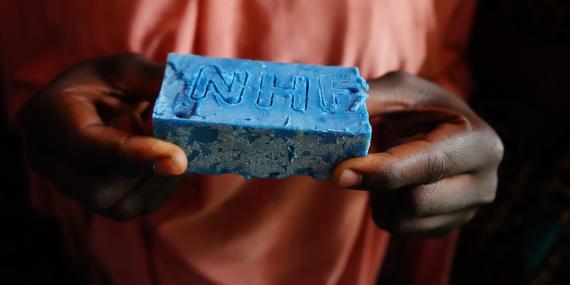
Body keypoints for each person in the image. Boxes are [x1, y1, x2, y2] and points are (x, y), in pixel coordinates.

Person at [0, 0, 503, 284]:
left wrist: (448, 151)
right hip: (115, 263)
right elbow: (25, 67)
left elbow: (444, 65)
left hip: (339, 261)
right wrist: (40, 122)